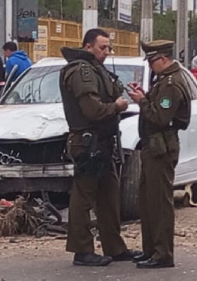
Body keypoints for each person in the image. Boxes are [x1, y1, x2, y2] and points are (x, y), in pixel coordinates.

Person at [58, 28, 144, 267]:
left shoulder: (96, 69)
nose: (107, 52)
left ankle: (114, 247)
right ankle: (81, 249)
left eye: (108, 48)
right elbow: (92, 110)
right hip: (88, 142)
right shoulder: (81, 70)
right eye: (102, 47)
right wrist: (116, 106)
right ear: (88, 47)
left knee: (109, 195)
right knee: (84, 195)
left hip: (103, 141)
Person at [125, 40, 192, 269]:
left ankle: (163, 253)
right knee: (147, 200)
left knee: (160, 202)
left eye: (153, 61)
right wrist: (144, 96)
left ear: (163, 59)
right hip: (153, 147)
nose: (151, 66)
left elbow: (160, 118)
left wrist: (142, 101)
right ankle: (151, 249)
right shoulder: (163, 81)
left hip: (162, 148)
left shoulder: (171, 84)